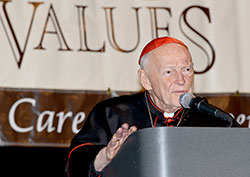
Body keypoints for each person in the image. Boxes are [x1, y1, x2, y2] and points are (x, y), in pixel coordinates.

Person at [66, 36, 240, 177]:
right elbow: (75, 163)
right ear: (145, 80)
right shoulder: (112, 113)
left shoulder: (215, 121)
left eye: (187, 70)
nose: (181, 80)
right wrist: (104, 158)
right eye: (169, 72)